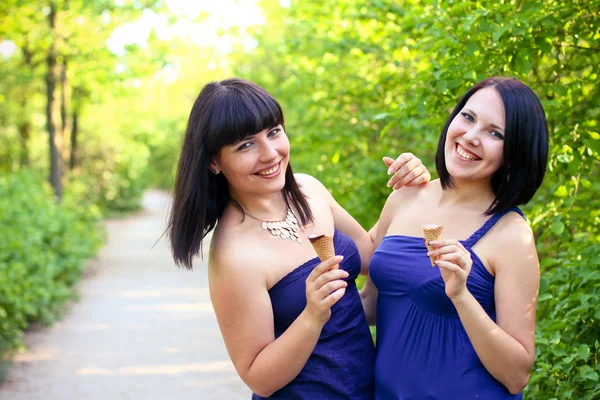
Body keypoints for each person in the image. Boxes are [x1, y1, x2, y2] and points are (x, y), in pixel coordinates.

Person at [167, 78, 431, 399]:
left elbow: (372, 255)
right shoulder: (234, 254)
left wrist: (406, 192)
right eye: (246, 145)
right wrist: (312, 316)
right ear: (213, 161)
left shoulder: (309, 190)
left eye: (274, 132)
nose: (270, 153)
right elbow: (259, 377)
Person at [361, 76, 548, 399]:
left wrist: (461, 295)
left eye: (495, 133)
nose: (471, 136)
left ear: (514, 153)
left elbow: (517, 375)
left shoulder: (510, 234)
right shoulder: (405, 197)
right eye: (468, 117)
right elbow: (370, 304)